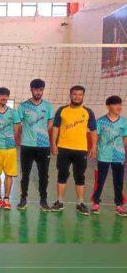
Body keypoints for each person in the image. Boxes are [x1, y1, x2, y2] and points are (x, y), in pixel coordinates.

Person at [51, 85, 97, 215]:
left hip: (80, 149)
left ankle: (80, 203)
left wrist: (93, 146)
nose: (77, 97)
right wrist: (53, 143)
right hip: (63, 148)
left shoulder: (88, 112)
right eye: (75, 94)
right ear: (70, 95)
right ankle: (59, 201)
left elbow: (93, 130)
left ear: (83, 96)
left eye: (80, 94)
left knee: (80, 176)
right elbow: (55, 127)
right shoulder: (62, 110)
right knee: (62, 174)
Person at [16, 79, 54, 211]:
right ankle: (23, 199)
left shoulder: (48, 106)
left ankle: (43, 200)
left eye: (41, 89)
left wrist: (42, 132)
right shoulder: (23, 106)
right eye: (36, 89)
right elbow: (19, 124)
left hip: (43, 146)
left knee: (44, 175)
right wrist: (27, 133)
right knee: (25, 174)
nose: (39, 92)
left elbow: (50, 123)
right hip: (27, 145)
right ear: (31, 90)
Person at [91, 95, 126, 217]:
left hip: (118, 156)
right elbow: (96, 137)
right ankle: (96, 203)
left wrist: (119, 149)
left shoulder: (124, 122)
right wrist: (96, 150)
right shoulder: (100, 121)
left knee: (118, 182)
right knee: (100, 181)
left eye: (120, 104)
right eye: (116, 104)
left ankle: (119, 205)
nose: (119, 107)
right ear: (108, 106)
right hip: (103, 156)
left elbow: (125, 139)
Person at [0, 87, 21, 210]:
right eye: (1, 95)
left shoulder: (13, 113)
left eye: (6, 95)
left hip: (10, 148)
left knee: (9, 175)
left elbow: (16, 129)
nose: (4, 97)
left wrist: (10, 139)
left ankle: (6, 199)